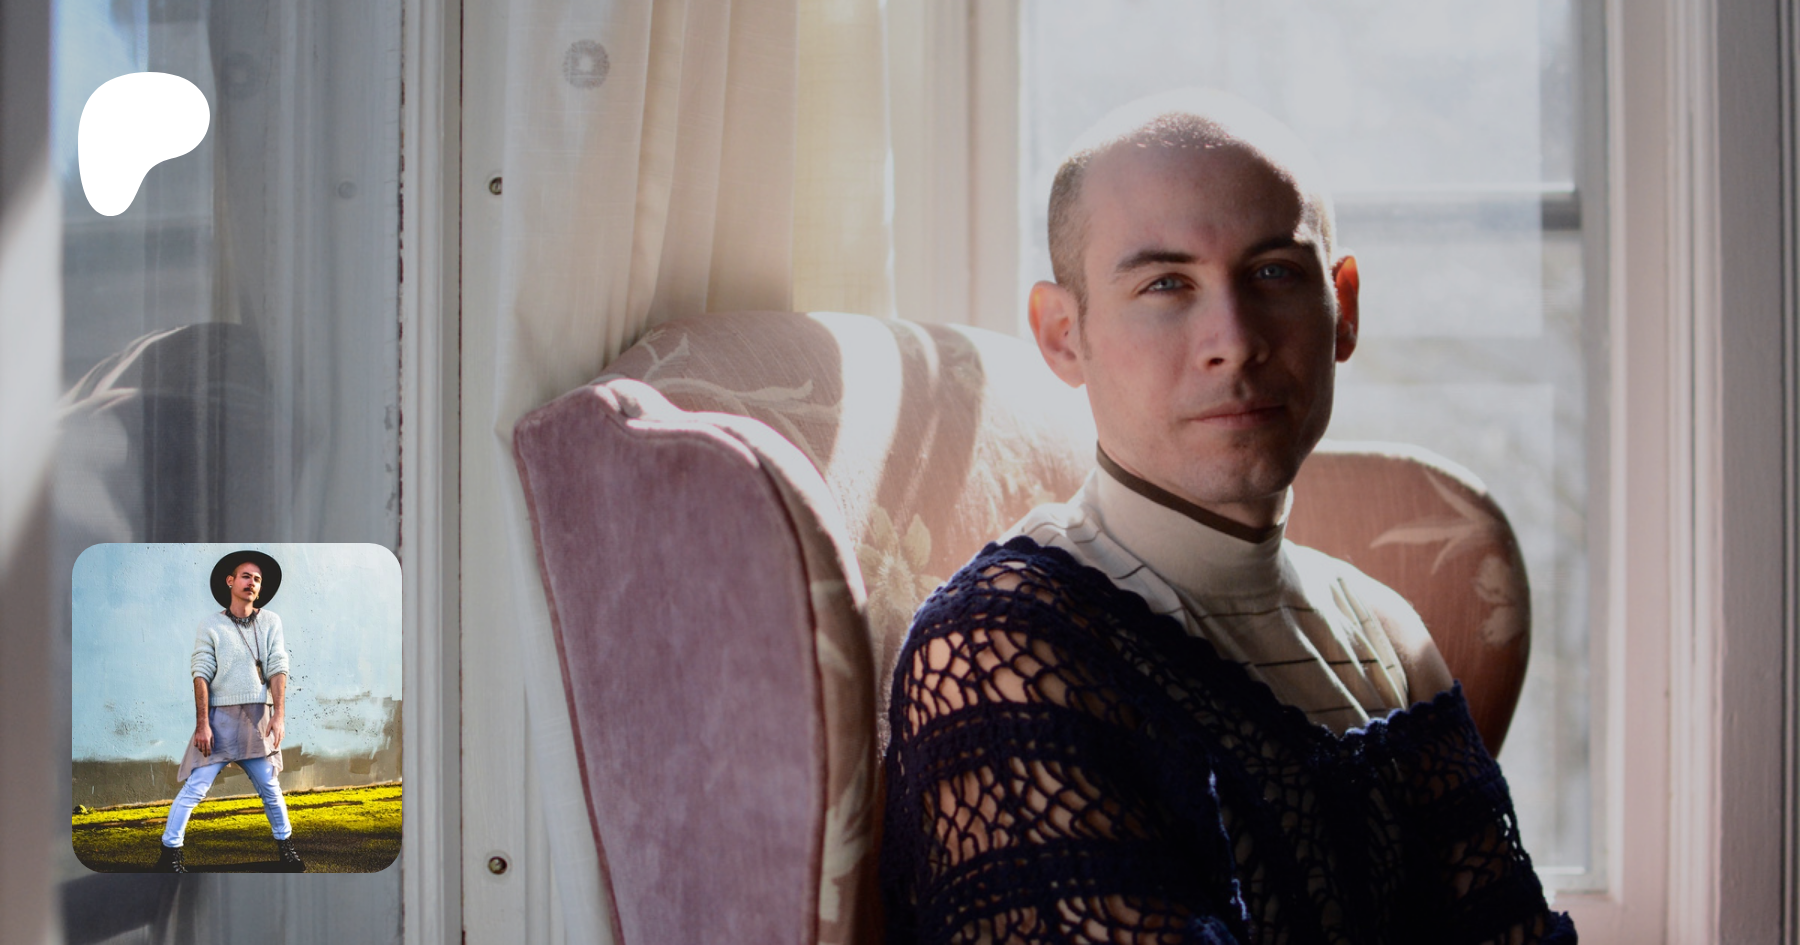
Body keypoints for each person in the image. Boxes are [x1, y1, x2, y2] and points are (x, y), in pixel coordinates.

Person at [879, 90, 1574, 943]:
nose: (1235, 339)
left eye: (1273, 272)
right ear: (1063, 334)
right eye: (1166, 284)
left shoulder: (1392, 636)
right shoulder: (997, 647)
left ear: (1343, 307)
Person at [154, 550, 304, 873]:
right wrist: (202, 724)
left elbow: (278, 667)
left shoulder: (271, 621)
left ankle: (287, 849)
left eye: (258, 579)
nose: (252, 583)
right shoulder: (210, 625)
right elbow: (201, 674)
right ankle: (170, 853)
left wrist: (279, 715)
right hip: (219, 722)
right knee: (195, 788)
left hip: (258, 720)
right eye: (246, 576)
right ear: (230, 581)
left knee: (270, 789)